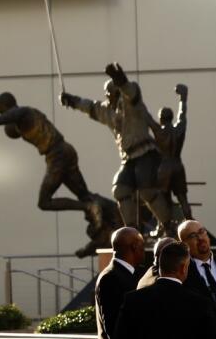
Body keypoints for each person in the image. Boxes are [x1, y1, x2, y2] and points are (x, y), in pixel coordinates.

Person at [61, 63, 172, 233]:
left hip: (146, 154)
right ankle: (132, 230)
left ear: (117, 92)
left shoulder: (131, 104)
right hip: (128, 158)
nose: (108, 97)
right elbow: (91, 107)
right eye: (106, 95)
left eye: (111, 94)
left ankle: (168, 225)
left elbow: (132, 92)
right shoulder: (108, 110)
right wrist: (72, 101)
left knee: (146, 191)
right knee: (120, 189)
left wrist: (121, 79)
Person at [94, 227, 144, 339]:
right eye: (142, 245)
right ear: (134, 247)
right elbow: (114, 328)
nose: (143, 250)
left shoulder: (135, 273)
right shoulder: (110, 278)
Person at [150, 83, 193, 221]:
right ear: (171, 117)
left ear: (161, 118)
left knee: (162, 199)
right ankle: (190, 222)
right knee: (183, 199)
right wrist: (183, 98)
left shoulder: (159, 131)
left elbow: (146, 118)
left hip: (164, 168)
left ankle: (162, 226)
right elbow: (182, 114)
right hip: (178, 166)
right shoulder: (179, 129)